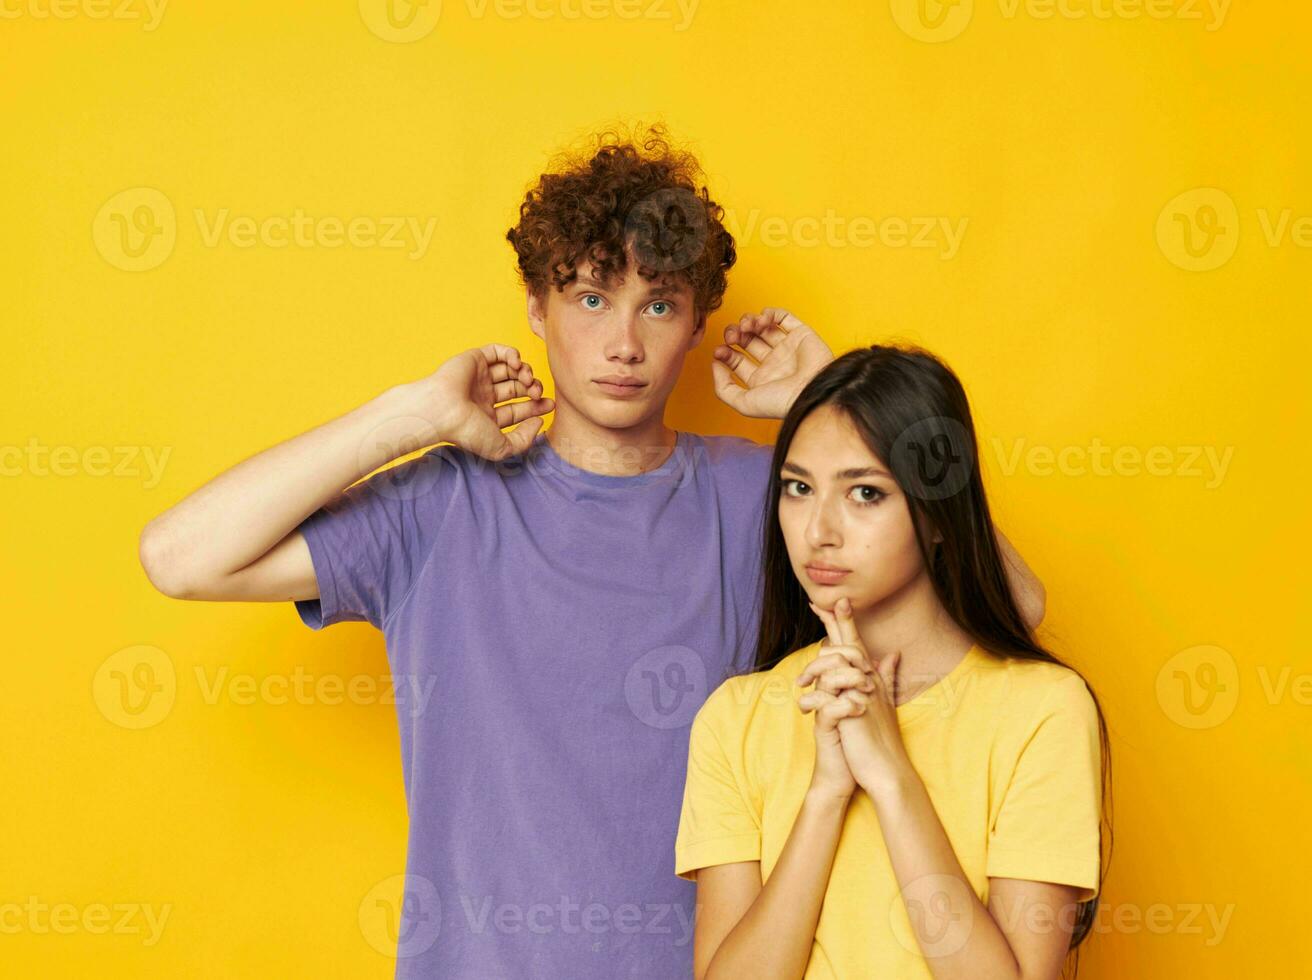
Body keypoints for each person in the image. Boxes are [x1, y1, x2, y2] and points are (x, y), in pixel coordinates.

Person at [137, 126, 1049, 979]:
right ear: (535, 307)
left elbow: (1010, 604)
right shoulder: (445, 505)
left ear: (696, 325)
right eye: (589, 297)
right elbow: (181, 558)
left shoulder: (765, 495)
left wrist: (831, 397)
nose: (623, 343)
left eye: (658, 304)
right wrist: (405, 416)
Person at [675, 344, 1110, 980]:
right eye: (798, 488)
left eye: (866, 493)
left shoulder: (1041, 709)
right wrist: (825, 793)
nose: (819, 529)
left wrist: (892, 776)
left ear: (938, 516)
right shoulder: (735, 717)